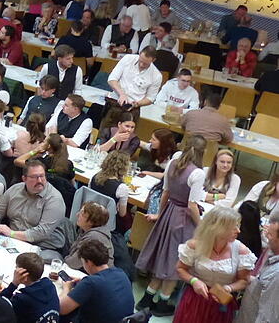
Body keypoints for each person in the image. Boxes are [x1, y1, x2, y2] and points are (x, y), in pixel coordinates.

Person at [135, 135, 207, 316]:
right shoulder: (197, 173)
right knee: (177, 260)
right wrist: (201, 227)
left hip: (169, 211)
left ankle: (147, 297)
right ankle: (163, 301)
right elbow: (192, 205)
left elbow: (165, 192)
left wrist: (161, 213)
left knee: (164, 257)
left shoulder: (173, 163)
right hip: (182, 217)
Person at [173, 206, 254, 322]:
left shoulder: (241, 250)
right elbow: (180, 268)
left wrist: (228, 288)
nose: (238, 231)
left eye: (238, 225)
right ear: (217, 228)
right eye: (233, 227)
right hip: (194, 300)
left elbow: (244, 281)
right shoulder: (195, 245)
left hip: (221, 303)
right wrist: (194, 281)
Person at [0, 161, 66, 253]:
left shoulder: (54, 199)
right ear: (24, 178)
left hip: (42, 246)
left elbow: (42, 232)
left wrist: (11, 233)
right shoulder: (15, 189)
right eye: (34, 177)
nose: (39, 181)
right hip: (13, 240)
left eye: (42, 176)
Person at [59, 239, 134, 323]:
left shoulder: (91, 283)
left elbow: (61, 308)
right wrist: (83, 284)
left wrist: (67, 288)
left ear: (89, 262)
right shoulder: (121, 273)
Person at [100, 47, 162, 131]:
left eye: (145, 63)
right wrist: (122, 94)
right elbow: (112, 79)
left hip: (133, 109)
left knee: (126, 139)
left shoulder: (156, 75)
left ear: (153, 60)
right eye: (141, 61)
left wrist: (137, 103)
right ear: (139, 54)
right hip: (115, 103)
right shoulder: (127, 59)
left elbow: (150, 98)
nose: (141, 65)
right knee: (105, 133)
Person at [236, 208, 279, 323]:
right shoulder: (272, 258)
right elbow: (263, 284)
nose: (267, 239)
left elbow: (267, 318)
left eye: (270, 236)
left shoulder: (277, 275)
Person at [0, 252, 60, 323]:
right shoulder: (50, 286)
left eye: (16, 269)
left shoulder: (21, 300)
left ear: (24, 276)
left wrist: (13, 284)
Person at [89, 150, 132, 231]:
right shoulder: (121, 188)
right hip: (108, 222)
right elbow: (122, 214)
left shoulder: (94, 177)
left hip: (91, 215)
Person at [65, 201, 114, 269]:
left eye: (82, 214)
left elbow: (73, 263)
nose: (77, 215)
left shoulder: (93, 237)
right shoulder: (87, 231)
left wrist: (62, 260)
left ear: (91, 222)